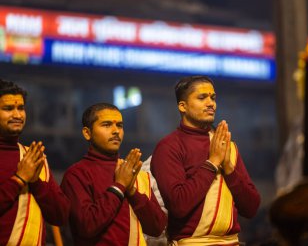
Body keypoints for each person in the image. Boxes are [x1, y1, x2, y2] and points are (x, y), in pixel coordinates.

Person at [151, 75, 261, 245]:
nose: (211, 103)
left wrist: (229, 168)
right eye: (202, 98)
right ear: (183, 106)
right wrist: (212, 163)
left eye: (213, 97)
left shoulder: (226, 146)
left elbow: (251, 207)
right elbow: (179, 205)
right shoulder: (169, 147)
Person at [61, 103, 167, 246]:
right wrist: (119, 186)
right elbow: (87, 227)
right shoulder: (77, 174)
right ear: (87, 133)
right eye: (106, 125)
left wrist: (132, 191)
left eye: (120, 125)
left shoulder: (134, 172)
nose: (116, 131)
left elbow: (157, 227)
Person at [0, 79, 70, 245]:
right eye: (8, 109)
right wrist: (19, 179)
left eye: (21, 108)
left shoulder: (33, 157)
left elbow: (61, 215)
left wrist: (36, 182)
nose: (17, 115)